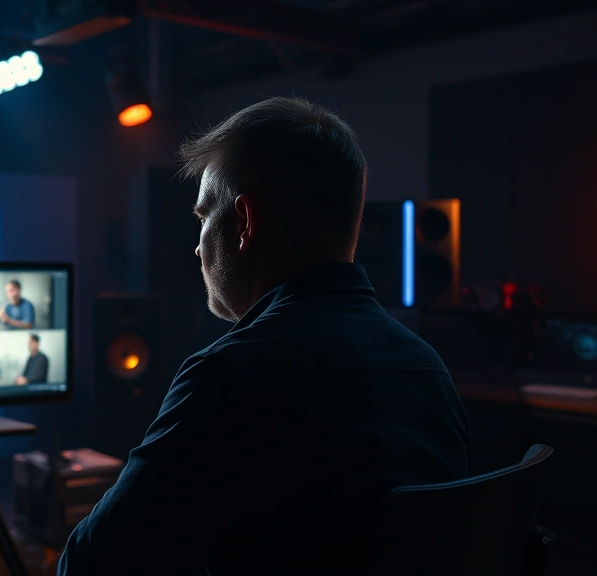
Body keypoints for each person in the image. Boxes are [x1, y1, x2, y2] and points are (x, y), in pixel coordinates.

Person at [57, 97, 470, 575]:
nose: (196, 245)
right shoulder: (428, 369)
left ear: (245, 223)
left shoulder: (229, 374)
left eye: (203, 215)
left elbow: (92, 563)